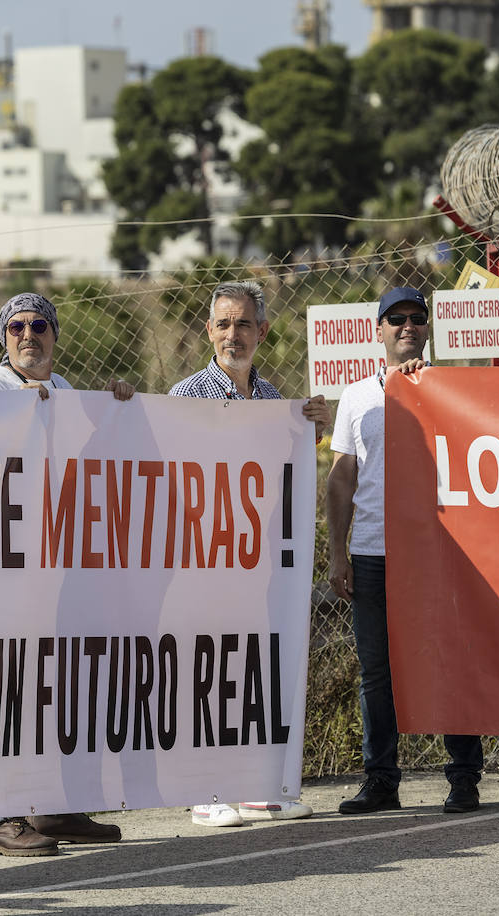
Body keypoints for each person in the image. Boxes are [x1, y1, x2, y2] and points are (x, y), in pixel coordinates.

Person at [0, 292, 129, 855]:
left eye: (39, 325)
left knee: (54, 686)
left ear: (55, 335)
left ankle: (52, 807)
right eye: (16, 327)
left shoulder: (63, 391)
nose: (27, 335)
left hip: (58, 567)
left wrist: (119, 406)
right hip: (5, 568)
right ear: (3, 337)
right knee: (4, 685)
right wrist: (20, 412)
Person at [169, 280, 328, 827]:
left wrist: (309, 432)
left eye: (242, 324)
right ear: (208, 331)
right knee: (205, 667)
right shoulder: (184, 397)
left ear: (261, 331)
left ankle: (257, 786)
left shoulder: (272, 402)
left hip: (258, 566)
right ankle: (205, 789)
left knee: (253, 670)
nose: (232, 334)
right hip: (204, 562)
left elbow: (283, 478)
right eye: (222, 324)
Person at [326, 286, 484, 815]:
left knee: (448, 661)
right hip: (373, 551)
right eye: (396, 319)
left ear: (429, 328)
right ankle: (381, 780)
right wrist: (336, 553)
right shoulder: (355, 395)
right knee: (377, 670)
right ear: (378, 330)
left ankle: (464, 778)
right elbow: (342, 477)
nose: (408, 326)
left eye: (418, 317)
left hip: (440, 552)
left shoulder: (453, 388)